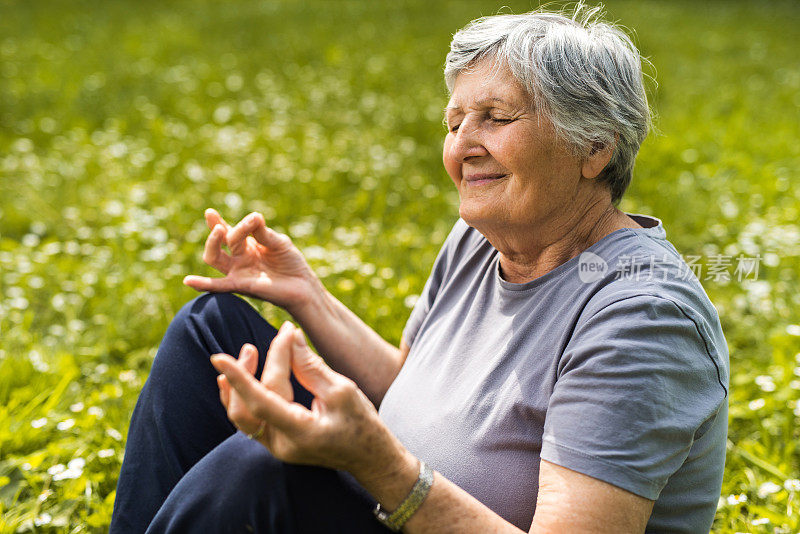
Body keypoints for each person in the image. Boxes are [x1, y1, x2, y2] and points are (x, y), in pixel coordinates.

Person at [111, 5, 729, 533]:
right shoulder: (480, 239)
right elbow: (414, 390)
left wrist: (379, 465)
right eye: (455, 122)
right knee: (207, 330)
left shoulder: (643, 316)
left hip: (411, 505)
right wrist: (307, 297)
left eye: (496, 117)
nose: (463, 146)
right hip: (399, 496)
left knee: (260, 474)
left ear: (595, 146)